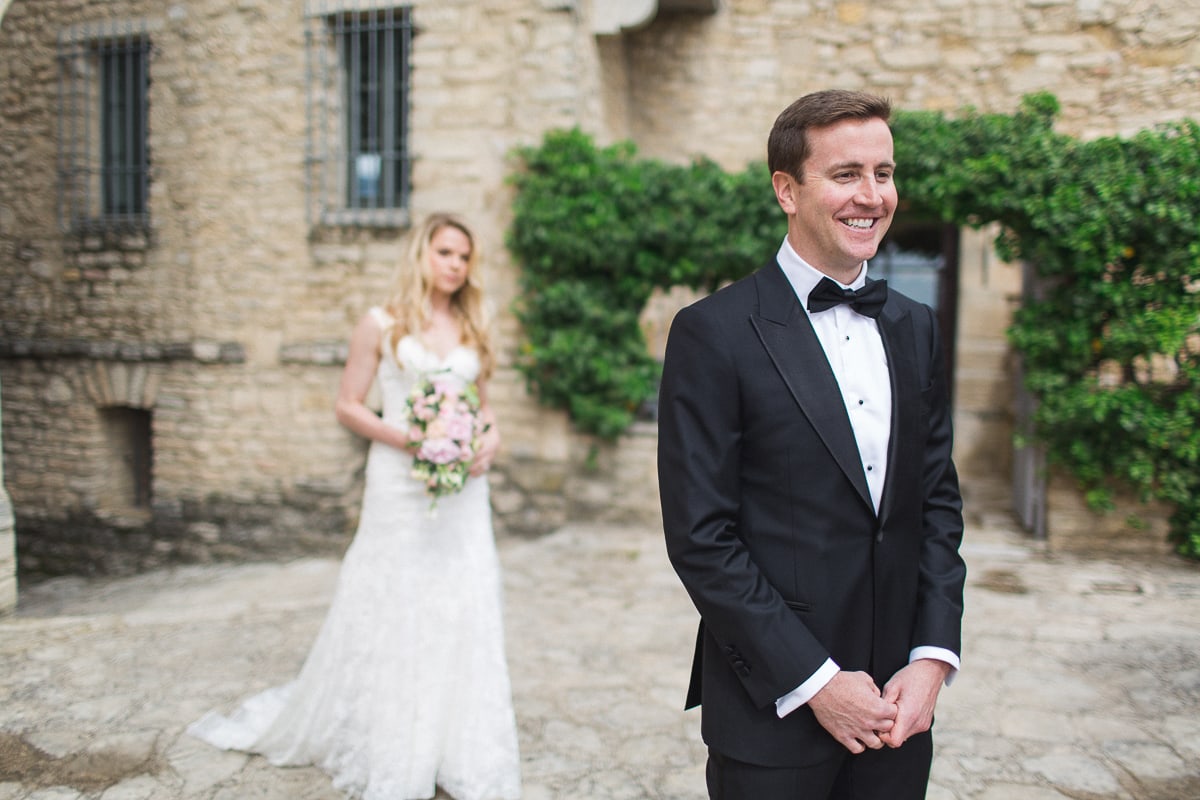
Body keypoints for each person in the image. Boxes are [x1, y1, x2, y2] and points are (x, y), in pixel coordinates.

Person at [657, 89, 967, 799]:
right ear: (786, 190)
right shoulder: (713, 332)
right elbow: (702, 538)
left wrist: (932, 657)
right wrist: (818, 682)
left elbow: (937, 506)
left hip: (898, 711)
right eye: (847, 174)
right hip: (775, 708)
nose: (872, 195)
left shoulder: (915, 326)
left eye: (884, 174)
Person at [188, 213, 522, 800]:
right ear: (422, 253)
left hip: (465, 491)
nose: (455, 265)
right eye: (445, 252)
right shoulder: (382, 324)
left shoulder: (473, 324)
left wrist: (489, 439)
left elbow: (484, 406)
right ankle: (393, 737)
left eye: (464, 257)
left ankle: (457, 741)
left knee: (461, 598)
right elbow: (348, 405)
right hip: (399, 483)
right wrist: (412, 438)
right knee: (395, 597)